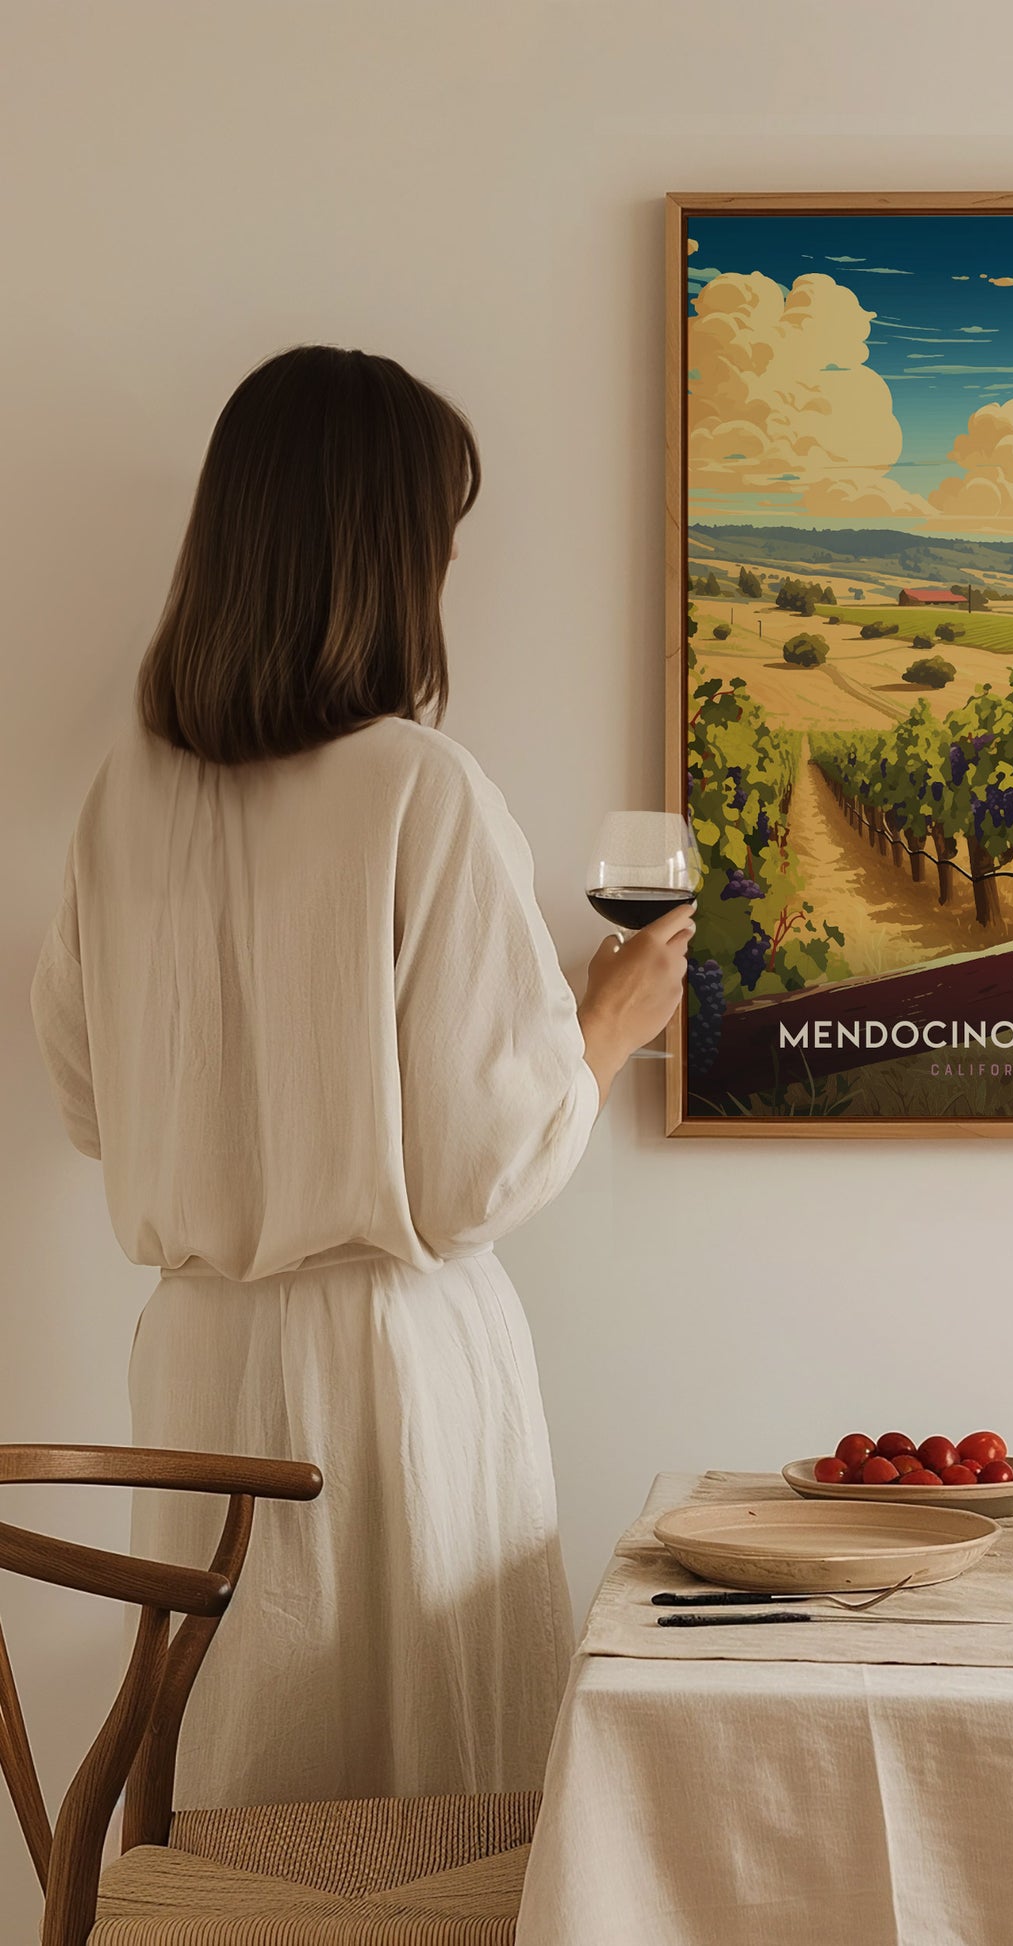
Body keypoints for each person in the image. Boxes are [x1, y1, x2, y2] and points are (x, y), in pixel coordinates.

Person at [29, 345, 691, 1806]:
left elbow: (87, 1100)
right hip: (391, 1372)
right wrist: (606, 1021)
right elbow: (473, 1174)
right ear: (387, 555)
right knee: (424, 1810)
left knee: (241, 1792)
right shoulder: (418, 786)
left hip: (196, 1362)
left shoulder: (122, 796)